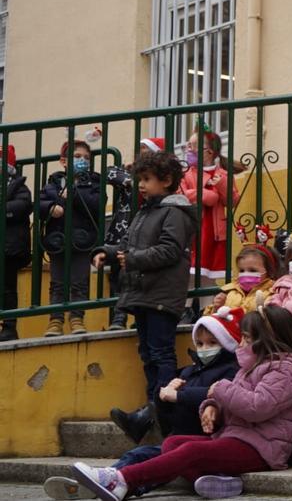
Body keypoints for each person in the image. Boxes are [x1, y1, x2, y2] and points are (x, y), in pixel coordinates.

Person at [70, 306, 292, 501]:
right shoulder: (251, 367)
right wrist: (212, 407)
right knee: (173, 443)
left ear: (267, 340)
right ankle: (218, 483)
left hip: (261, 448)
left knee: (189, 453)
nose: (241, 343)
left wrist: (218, 389)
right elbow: (234, 400)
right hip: (237, 436)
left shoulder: (283, 369)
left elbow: (257, 406)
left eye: (247, 338)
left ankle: (122, 480)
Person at [46, 309, 242, 500]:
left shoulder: (232, 371)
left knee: (158, 460)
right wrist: (162, 398)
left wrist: (178, 396)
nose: (204, 349)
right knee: (138, 454)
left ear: (226, 344)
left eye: (212, 343)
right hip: (179, 437)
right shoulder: (188, 373)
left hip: (204, 440)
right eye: (200, 344)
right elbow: (169, 418)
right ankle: (106, 480)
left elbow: (219, 395)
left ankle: (115, 484)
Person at [93, 151, 197, 435]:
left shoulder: (175, 212)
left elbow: (170, 250)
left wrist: (133, 259)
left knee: (161, 353)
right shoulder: (146, 210)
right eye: (139, 178)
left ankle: (162, 409)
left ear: (166, 180)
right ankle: (150, 411)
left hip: (162, 295)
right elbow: (127, 243)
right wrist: (108, 253)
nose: (140, 184)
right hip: (143, 293)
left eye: (147, 179)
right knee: (148, 354)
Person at [41, 140, 104, 336]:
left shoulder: (93, 182)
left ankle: (77, 319)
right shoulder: (53, 182)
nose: (82, 161)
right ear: (63, 161)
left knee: (79, 282)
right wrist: (52, 207)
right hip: (58, 240)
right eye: (77, 157)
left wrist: (74, 193)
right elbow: (41, 202)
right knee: (57, 283)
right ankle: (55, 320)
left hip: (83, 240)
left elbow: (97, 204)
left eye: (86, 157)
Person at [100, 138, 163, 332]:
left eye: (146, 149)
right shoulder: (129, 173)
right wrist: (131, 176)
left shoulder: (158, 179)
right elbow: (107, 171)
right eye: (140, 149)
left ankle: (137, 315)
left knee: (139, 275)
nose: (141, 152)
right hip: (121, 231)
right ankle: (118, 317)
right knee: (117, 275)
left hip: (144, 234)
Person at [180, 128, 240, 283]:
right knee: (188, 276)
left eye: (193, 146)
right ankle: (186, 307)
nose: (189, 150)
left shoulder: (224, 175)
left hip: (214, 233)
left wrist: (220, 183)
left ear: (209, 151)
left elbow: (232, 201)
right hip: (192, 229)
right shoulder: (185, 173)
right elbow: (180, 194)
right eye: (188, 145)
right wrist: (207, 195)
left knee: (208, 278)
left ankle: (205, 307)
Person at [0, 146, 33, 342]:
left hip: (9, 248)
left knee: (7, 288)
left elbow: (22, 206)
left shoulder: (18, 186)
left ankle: (9, 326)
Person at [206, 241, 280, 315]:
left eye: (252, 270)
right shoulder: (229, 292)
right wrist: (216, 308)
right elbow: (209, 320)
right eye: (242, 270)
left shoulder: (273, 294)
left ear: (269, 271)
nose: (246, 274)